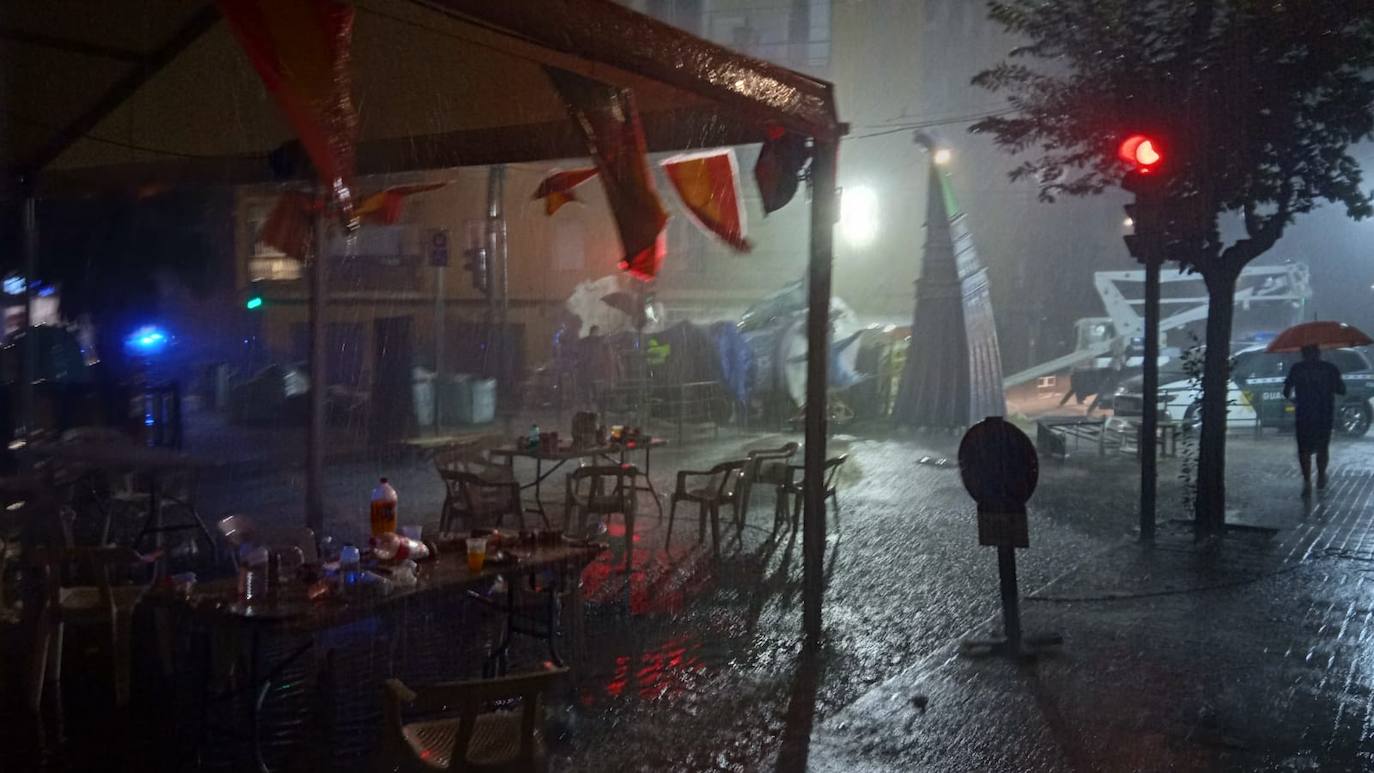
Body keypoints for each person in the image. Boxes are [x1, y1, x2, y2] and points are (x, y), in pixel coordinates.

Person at [1283, 344, 1346, 495]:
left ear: (1302, 354)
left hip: (1304, 414)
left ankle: (1306, 481)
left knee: (1303, 449)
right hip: (1324, 414)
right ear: (1319, 353)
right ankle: (1321, 477)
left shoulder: (1297, 369)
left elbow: (1286, 391)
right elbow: (1342, 390)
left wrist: (1295, 400)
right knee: (1322, 447)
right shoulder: (1330, 368)